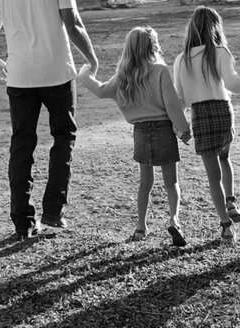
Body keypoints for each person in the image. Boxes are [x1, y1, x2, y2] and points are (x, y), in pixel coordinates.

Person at [0, 0, 99, 241]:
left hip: (20, 76)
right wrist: (91, 57)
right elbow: (72, 23)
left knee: (22, 144)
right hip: (58, 73)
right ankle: (53, 211)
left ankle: (23, 222)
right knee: (64, 137)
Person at [78, 26, 191, 246]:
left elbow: (100, 90)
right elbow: (171, 105)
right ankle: (174, 220)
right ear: (153, 45)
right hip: (163, 129)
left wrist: (84, 74)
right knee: (171, 182)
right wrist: (183, 130)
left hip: (140, 132)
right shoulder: (159, 70)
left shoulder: (124, 75)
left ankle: (141, 227)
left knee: (145, 182)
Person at [172, 6, 240, 245]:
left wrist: (180, 127)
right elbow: (232, 83)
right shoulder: (220, 52)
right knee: (225, 157)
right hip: (223, 111)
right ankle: (231, 201)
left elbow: (179, 98)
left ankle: (226, 226)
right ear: (216, 28)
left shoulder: (181, 60)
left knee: (213, 176)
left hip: (200, 114)